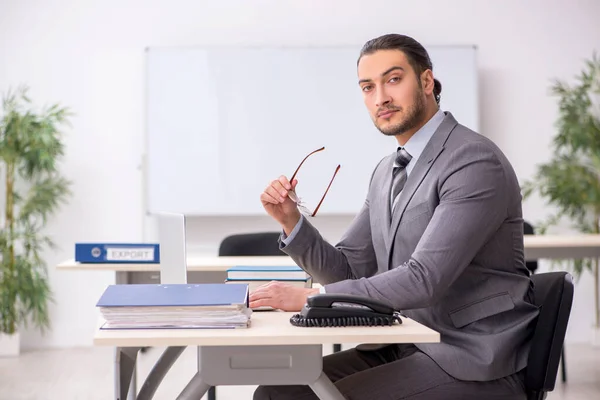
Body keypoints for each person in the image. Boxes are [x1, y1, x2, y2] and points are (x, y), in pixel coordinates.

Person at [251, 33, 538, 399]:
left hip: (469, 358)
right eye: (368, 87)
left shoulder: (473, 161)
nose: (380, 98)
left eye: (393, 79)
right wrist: (292, 221)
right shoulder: (387, 171)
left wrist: (312, 297)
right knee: (277, 392)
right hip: (405, 342)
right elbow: (348, 270)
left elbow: (424, 279)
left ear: (427, 82)